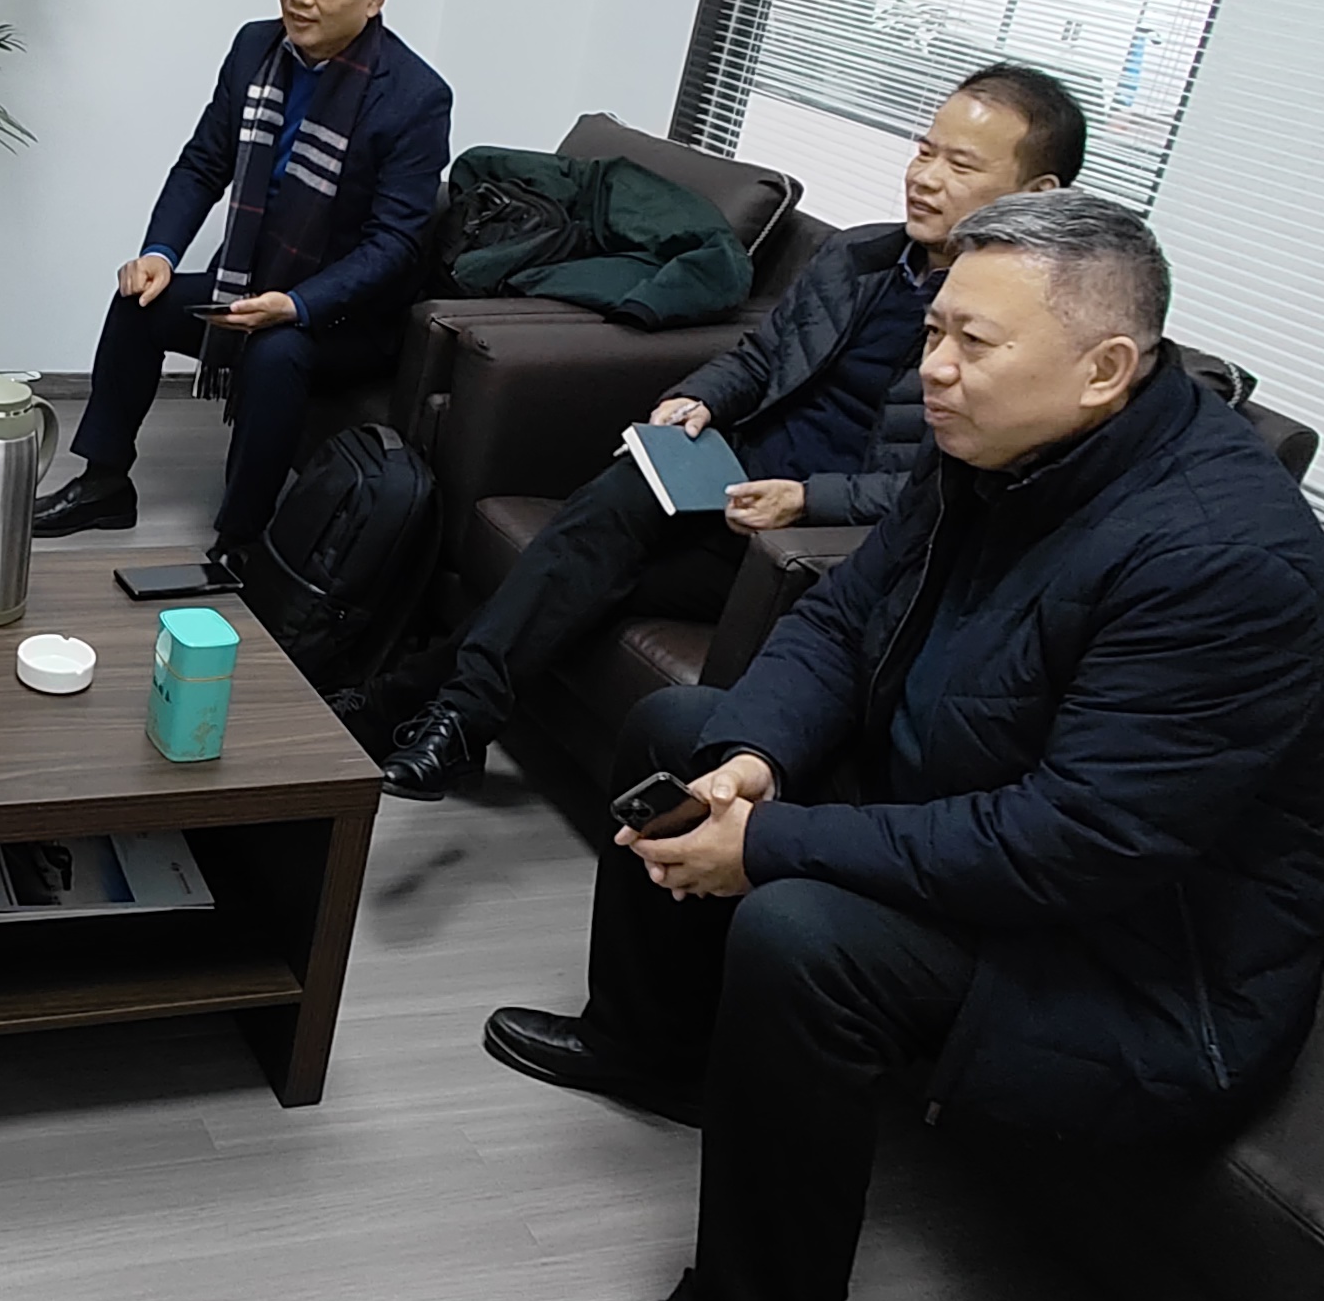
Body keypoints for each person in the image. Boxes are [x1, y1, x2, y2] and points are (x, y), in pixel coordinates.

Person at [480, 191, 1324, 1301]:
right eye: (935, 330)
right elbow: (841, 620)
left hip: (1140, 958)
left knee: (804, 935)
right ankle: (653, 1048)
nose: (932, 369)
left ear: (1105, 368)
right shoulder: (997, 450)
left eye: (972, 344)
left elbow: (1071, 844)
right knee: (685, 732)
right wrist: (754, 762)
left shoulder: (1220, 561)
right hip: (975, 811)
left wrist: (771, 844)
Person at [369, 65, 1082, 799]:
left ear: (1037, 195)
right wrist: (698, 398)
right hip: (722, 485)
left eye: (960, 165)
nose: (924, 178)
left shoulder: (1021, 339)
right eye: (924, 150)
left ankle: (414, 704)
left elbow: (943, 489)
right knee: (606, 515)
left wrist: (806, 500)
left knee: (571, 574)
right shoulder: (859, 256)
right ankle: (450, 719)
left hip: (795, 546)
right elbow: (760, 355)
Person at [29, 0, 454, 564]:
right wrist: (160, 252)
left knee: (275, 351)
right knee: (139, 301)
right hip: (254, 282)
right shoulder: (256, 49)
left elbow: (394, 245)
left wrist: (298, 304)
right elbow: (204, 163)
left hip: (348, 317)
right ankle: (105, 483)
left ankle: (240, 539)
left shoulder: (415, 97)